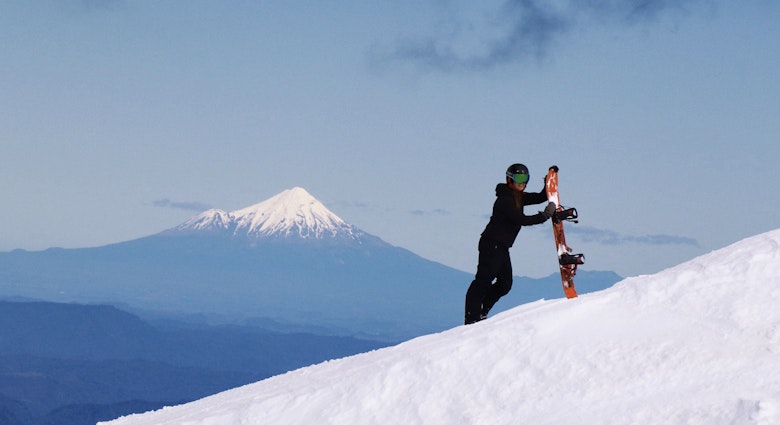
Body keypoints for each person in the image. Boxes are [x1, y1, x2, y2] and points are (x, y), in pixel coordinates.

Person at [464, 163, 557, 325]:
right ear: (509, 179)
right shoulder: (505, 200)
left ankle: (482, 311)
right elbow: (522, 220)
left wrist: (548, 181)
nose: (523, 183)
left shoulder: (517, 196)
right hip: (491, 244)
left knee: (505, 284)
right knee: (483, 281)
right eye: (519, 178)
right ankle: (472, 318)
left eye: (526, 179)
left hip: (502, 246)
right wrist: (544, 216)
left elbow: (540, 197)